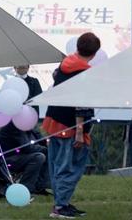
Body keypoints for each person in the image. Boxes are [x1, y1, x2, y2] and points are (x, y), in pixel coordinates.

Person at [43, 33, 99, 218]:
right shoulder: (84, 71)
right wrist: (80, 133)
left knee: (57, 165)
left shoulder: (65, 63)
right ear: (94, 53)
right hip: (70, 127)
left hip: (53, 122)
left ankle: (62, 203)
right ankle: (60, 207)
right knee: (70, 167)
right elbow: (80, 104)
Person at [0, 123, 50, 195]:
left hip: (20, 156)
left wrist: (47, 145)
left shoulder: (28, 125)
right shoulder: (14, 127)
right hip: (7, 160)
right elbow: (27, 147)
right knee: (38, 157)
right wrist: (47, 149)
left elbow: (39, 139)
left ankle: (40, 187)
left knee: (47, 153)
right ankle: (25, 188)